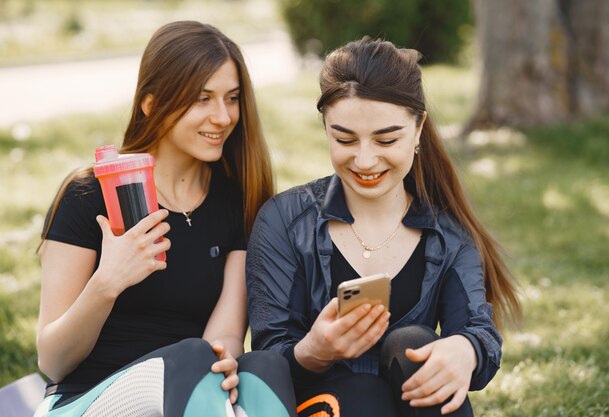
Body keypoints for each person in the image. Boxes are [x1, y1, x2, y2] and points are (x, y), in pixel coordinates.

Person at [246, 37, 522, 417]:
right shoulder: (284, 220)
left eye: (386, 139)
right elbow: (266, 360)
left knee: (415, 345)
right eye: (344, 138)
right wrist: (315, 350)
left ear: (419, 127)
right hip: (319, 403)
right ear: (325, 126)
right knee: (362, 392)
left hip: (411, 400)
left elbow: (481, 332)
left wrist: (465, 350)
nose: (364, 159)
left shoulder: (448, 235)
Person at [34, 21, 297, 417]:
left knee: (264, 367)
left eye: (232, 98)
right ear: (151, 103)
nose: (223, 116)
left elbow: (224, 335)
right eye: (203, 99)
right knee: (193, 359)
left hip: (194, 394)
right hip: (85, 401)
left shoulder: (238, 201)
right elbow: (52, 361)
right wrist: (108, 281)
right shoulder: (89, 194)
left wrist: (224, 362)